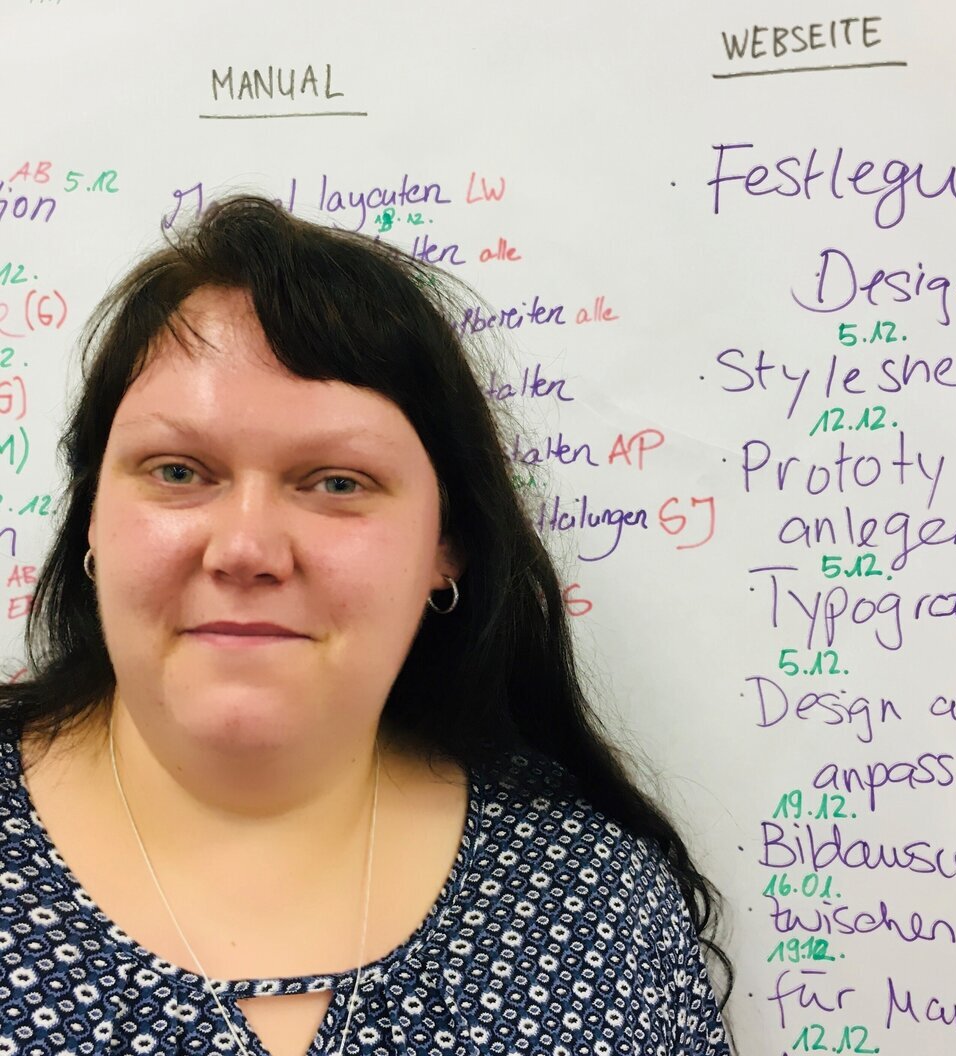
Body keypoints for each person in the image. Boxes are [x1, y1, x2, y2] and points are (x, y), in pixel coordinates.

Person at [0, 195, 732, 1056]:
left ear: (446, 546)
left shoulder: (595, 911)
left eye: (337, 483)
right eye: (178, 471)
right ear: (92, 517)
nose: (245, 549)